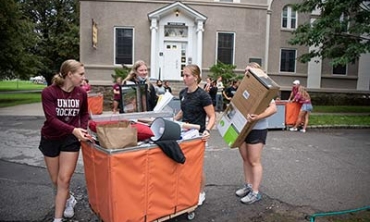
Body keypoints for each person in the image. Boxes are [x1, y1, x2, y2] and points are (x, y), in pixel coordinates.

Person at [38, 59, 91, 222]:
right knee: (56, 180)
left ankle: (57, 219)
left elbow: (84, 113)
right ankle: (70, 199)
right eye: (81, 74)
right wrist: (74, 129)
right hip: (51, 138)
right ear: (70, 74)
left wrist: (82, 128)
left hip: (70, 140)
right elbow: (52, 119)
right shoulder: (49, 92)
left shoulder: (81, 93)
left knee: (64, 179)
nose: (83, 78)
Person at [174, 64, 216, 206]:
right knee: (184, 165)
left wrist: (207, 130)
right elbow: (182, 111)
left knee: (196, 167)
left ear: (196, 77)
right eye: (183, 75)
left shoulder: (203, 95)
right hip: (184, 135)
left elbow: (212, 116)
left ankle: (201, 193)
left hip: (198, 136)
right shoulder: (183, 93)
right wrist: (173, 121)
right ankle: (187, 192)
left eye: (187, 75)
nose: (184, 78)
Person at [235, 62, 277, 204]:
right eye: (245, 71)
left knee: (254, 160)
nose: (246, 74)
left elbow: (273, 109)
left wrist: (258, 117)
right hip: (243, 127)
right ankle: (248, 186)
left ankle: (255, 192)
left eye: (249, 71)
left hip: (257, 128)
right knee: (246, 159)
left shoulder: (264, 89)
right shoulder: (244, 88)